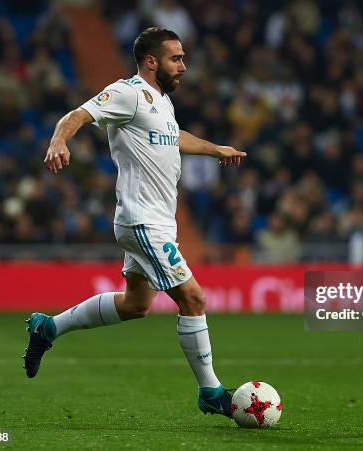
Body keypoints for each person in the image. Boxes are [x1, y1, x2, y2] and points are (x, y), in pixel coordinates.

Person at [22, 27, 246, 419]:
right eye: (176, 58)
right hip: (141, 221)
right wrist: (59, 141)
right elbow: (77, 115)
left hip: (158, 223)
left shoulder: (161, 103)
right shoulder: (128, 93)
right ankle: (210, 391)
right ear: (151, 61)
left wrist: (216, 150)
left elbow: (175, 138)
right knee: (193, 298)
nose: (184, 66)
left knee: (136, 305)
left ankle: (48, 328)